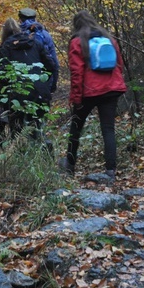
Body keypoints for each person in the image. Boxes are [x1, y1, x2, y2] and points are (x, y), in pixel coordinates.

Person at [59, 10, 127, 181]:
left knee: (76, 128)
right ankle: (110, 170)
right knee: (108, 129)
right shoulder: (109, 39)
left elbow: (77, 72)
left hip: (89, 91)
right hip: (111, 89)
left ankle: (70, 167)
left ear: (76, 24)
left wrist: (75, 97)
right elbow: (119, 65)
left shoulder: (77, 41)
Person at [0, 18, 57, 139]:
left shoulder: (5, 47)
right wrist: (43, 81)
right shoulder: (35, 42)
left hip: (16, 94)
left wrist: (2, 95)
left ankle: (21, 155)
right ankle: (43, 153)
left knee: (17, 132)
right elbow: (52, 65)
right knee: (38, 129)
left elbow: (3, 74)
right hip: (40, 92)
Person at [18, 8, 59, 96]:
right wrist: (53, 84)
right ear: (35, 19)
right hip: (43, 80)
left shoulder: (16, 36)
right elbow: (54, 61)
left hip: (21, 83)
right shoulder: (45, 35)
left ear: (20, 19)